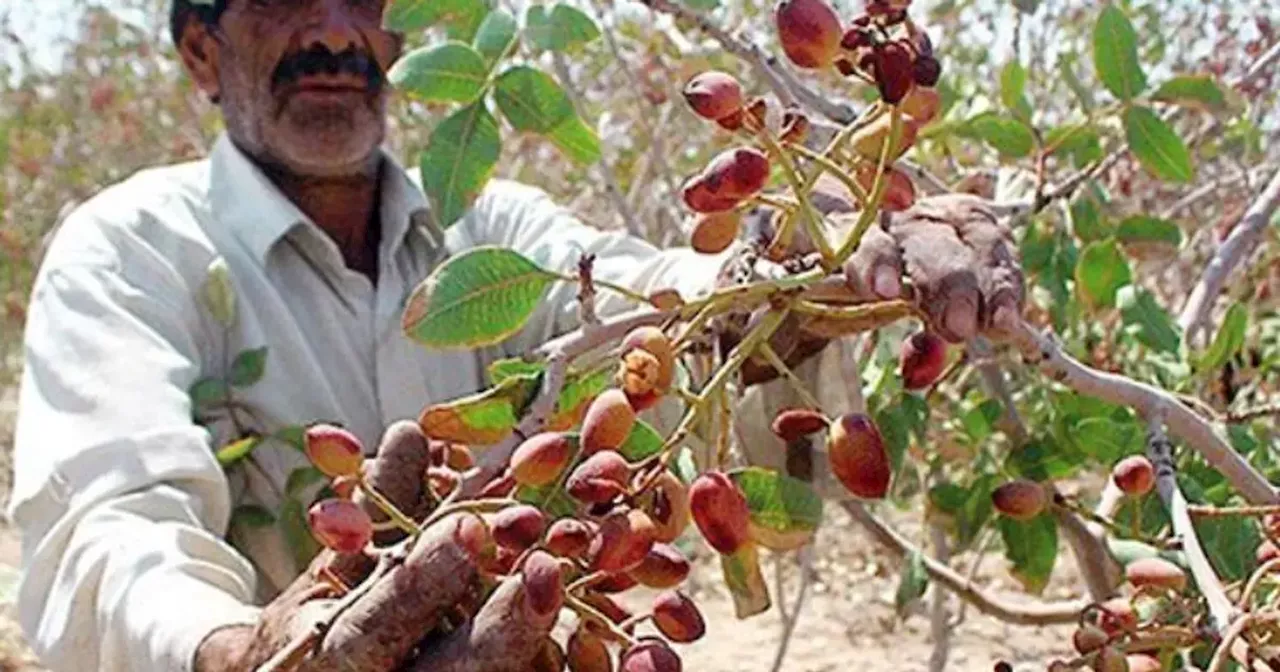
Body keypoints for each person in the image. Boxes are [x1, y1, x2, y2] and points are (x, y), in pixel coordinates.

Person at [6, 1, 1025, 670]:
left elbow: (666, 309)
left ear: (399, 40)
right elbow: (107, 524)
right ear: (200, 50)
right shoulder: (130, 246)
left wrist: (819, 273)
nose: (330, 31)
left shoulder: (497, 234)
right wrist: (242, 652)